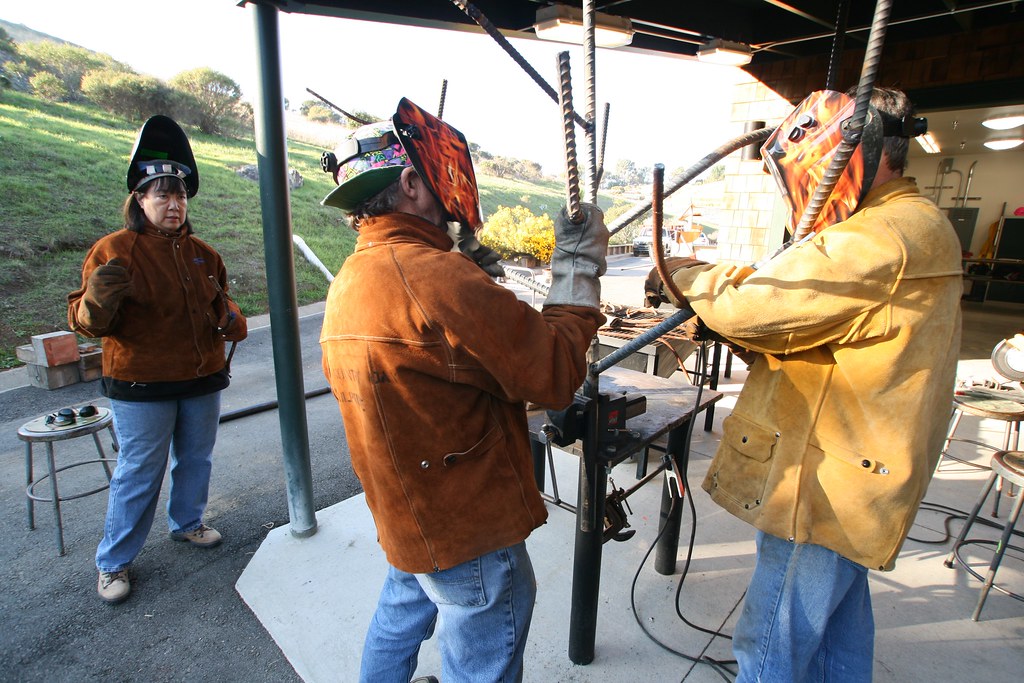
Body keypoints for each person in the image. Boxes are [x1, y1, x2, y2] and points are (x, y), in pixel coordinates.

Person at [644, 87, 963, 681]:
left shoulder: (879, 236)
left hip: (828, 484)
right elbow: (804, 295)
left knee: (772, 643)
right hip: (868, 473)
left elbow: (759, 306)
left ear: (861, 153)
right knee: (837, 631)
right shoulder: (919, 222)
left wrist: (680, 274)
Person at [318, 98, 607, 683]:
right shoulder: (434, 276)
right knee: (483, 656)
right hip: (466, 522)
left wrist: (465, 265)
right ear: (410, 182)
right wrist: (577, 266)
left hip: (409, 510)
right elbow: (553, 373)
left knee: (402, 612)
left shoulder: (354, 276)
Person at [68, 115, 247, 605]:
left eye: (180, 195)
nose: (174, 204)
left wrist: (230, 317)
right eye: (162, 195)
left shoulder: (204, 254)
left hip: (201, 378)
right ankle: (113, 562)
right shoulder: (112, 250)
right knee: (139, 471)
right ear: (140, 200)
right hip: (140, 384)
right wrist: (95, 301)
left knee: (196, 458)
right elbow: (86, 323)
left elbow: (221, 305)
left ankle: (187, 523)